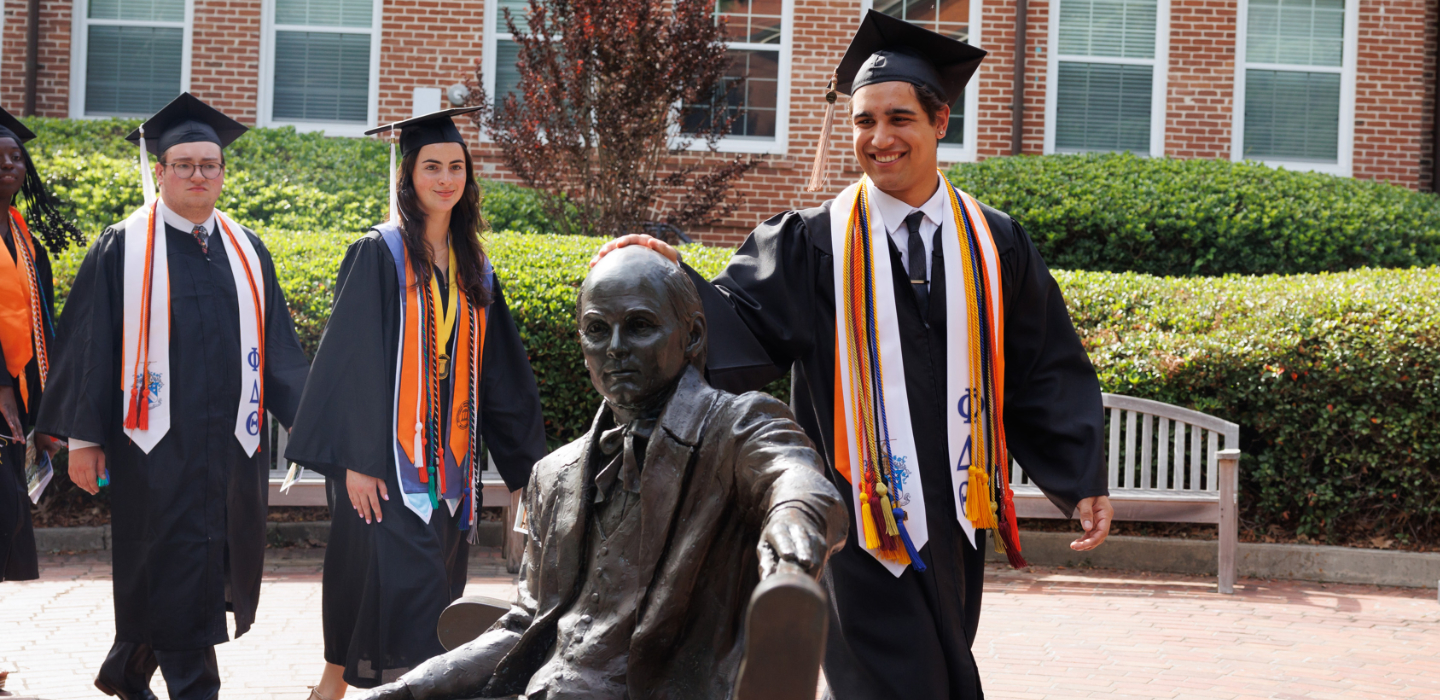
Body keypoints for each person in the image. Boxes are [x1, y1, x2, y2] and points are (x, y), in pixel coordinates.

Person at [594, 11, 1115, 700]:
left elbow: (1041, 364)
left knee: (946, 665)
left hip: (959, 514)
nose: (880, 138)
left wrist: (1081, 476)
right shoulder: (815, 244)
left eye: (899, 118)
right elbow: (730, 323)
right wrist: (668, 280)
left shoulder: (993, 245)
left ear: (940, 123)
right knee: (891, 679)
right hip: (858, 518)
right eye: (864, 121)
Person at [353, 245, 847, 700]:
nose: (614, 348)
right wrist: (408, 690)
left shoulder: (736, 428)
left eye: (638, 326)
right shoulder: (554, 473)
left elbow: (795, 480)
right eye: (596, 329)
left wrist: (793, 534)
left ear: (692, 335)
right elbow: (525, 624)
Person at [35, 93, 311, 700]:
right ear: (159, 171)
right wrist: (83, 440)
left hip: (229, 448)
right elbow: (88, 345)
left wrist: (322, 431)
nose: (196, 175)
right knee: (175, 563)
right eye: (182, 164)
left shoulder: (246, 249)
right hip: (153, 448)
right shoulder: (124, 247)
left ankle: (128, 667)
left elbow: (281, 352)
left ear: (222, 172)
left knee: (198, 567)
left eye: (208, 165)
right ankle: (194, 690)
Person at [284, 108, 547, 698]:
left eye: (456, 167)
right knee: (417, 604)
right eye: (432, 166)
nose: (446, 178)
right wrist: (355, 459)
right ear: (408, 175)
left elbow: (502, 375)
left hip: (450, 470)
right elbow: (349, 362)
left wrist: (527, 471)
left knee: (386, 590)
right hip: (385, 467)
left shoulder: (475, 267)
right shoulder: (377, 254)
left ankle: (328, 689)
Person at [0, 104, 85, 697]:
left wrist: (45, 405)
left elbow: (40, 325)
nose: (10, 166)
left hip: (15, 412)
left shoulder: (19, 231)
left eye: (15, 158)